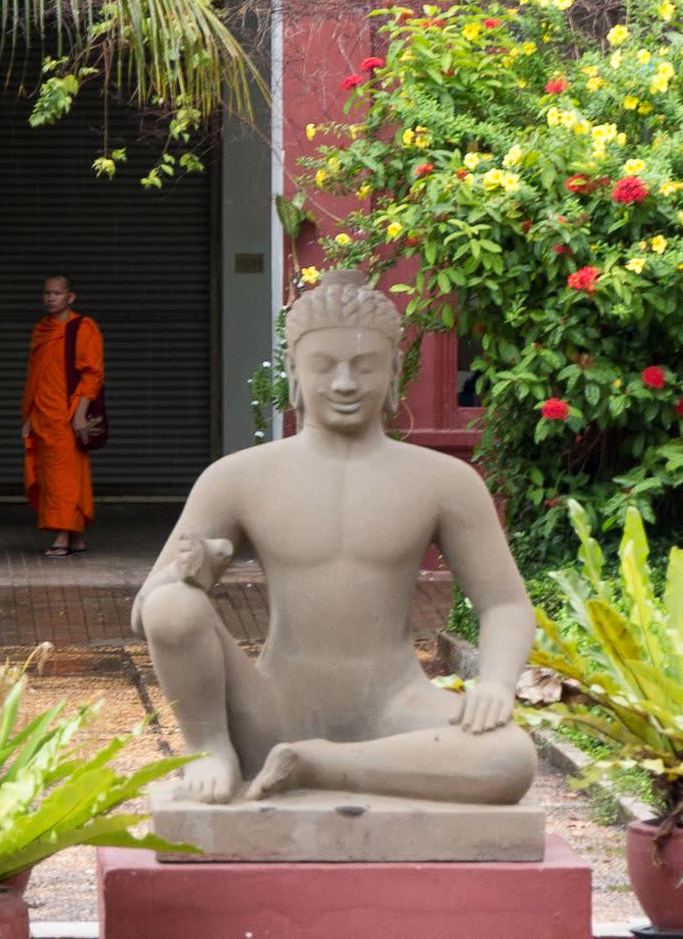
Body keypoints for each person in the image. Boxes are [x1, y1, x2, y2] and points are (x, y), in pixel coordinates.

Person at [129, 270, 536, 806]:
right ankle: (212, 752)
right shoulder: (238, 477)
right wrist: (192, 574)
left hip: (398, 707)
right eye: (324, 367)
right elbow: (148, 614)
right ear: (294, 374)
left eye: (364, 366)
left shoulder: (443, 481)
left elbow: (504, 602)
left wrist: (497, 683)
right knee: (173, 607)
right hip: (272, 707)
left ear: (393, 373)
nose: (344, 383)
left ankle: (319, 765)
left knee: (511, 759)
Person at [23, 275, 103, 557]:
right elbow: (36, 377)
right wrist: (30, 417)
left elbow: (92, 375)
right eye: (46, 293)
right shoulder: (41, 330)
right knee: (55, 476)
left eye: (57, 293)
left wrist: (80, 414)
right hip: (43, 414)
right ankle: (76, 538)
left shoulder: (83, 328)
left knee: (64, 478)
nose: (50, 298)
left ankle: (61, 538)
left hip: (67, 415)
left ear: (71, 297)